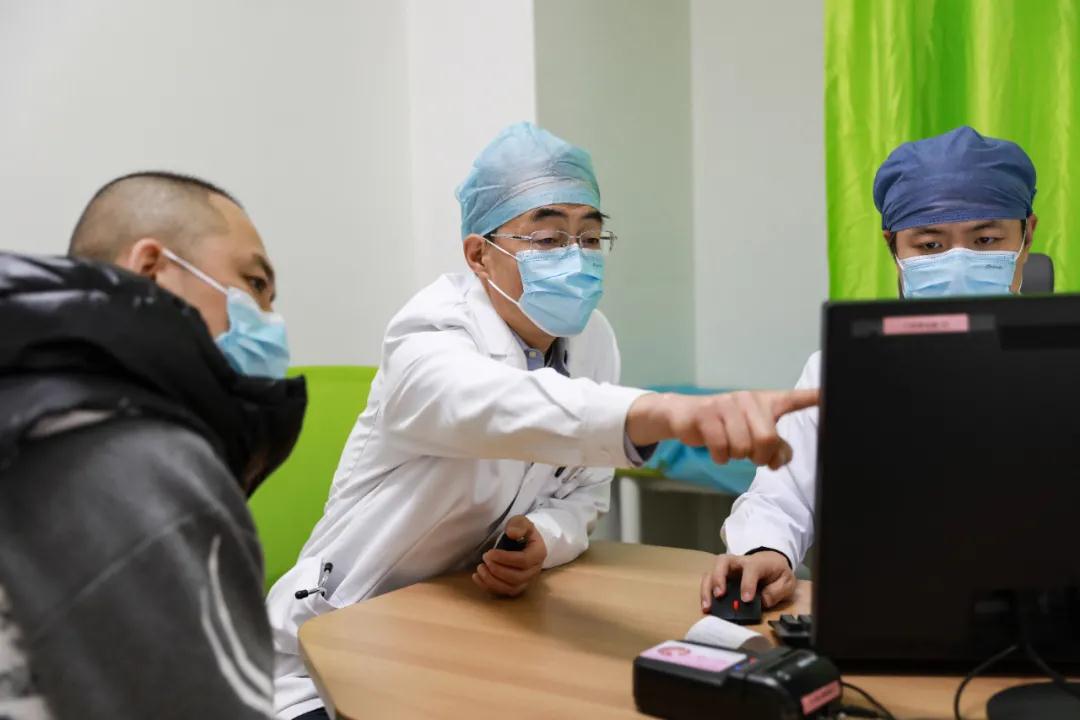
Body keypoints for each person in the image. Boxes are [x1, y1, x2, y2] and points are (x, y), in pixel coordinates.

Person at [267, 122, 818, 720]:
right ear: (479, 255)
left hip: (474, 625)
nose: (576, 257)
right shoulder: (428, 335)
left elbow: (585, 494)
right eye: (549, 237)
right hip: (343, 642)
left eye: (590, 236)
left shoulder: (592, 339)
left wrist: (543, 538)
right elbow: (497, 406)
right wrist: (661, 411)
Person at [0, 171, 306, 719]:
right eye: (255, 282)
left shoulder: (31, 407)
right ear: (151, 267)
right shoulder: (144, 461)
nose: (270, 321)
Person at [703, 125, 1038, 610]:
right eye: (930, 246)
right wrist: (765, 550)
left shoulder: (1062, 362)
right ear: (893, 248)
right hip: (893, 607)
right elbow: (780, 495)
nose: (958, 263)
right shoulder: (839, 369)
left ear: (1026, 235)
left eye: (986, 239)